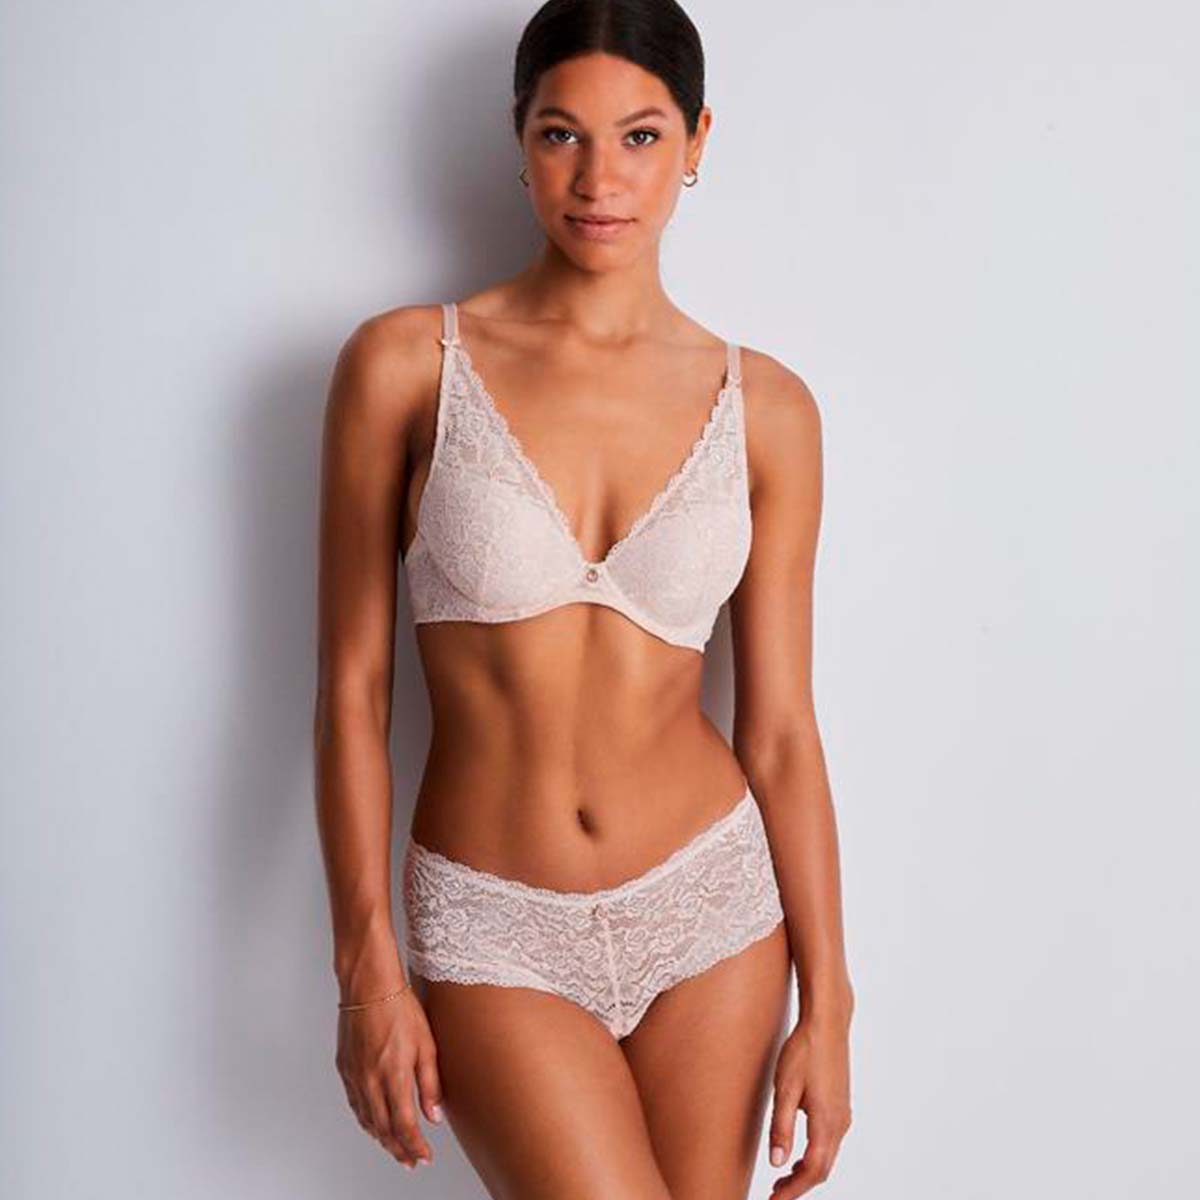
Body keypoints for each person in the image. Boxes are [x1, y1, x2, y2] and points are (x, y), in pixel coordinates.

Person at [313, 1, 853, 1196]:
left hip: (713, 907)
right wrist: (366, 969)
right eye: (562, 134)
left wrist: (832, 1003)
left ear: (697, 141)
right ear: (519, 138)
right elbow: (352, 693)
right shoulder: (406, 366)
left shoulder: (768, 410)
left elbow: (779, 729)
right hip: (494, 924)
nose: (600, 180)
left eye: (642, 136)